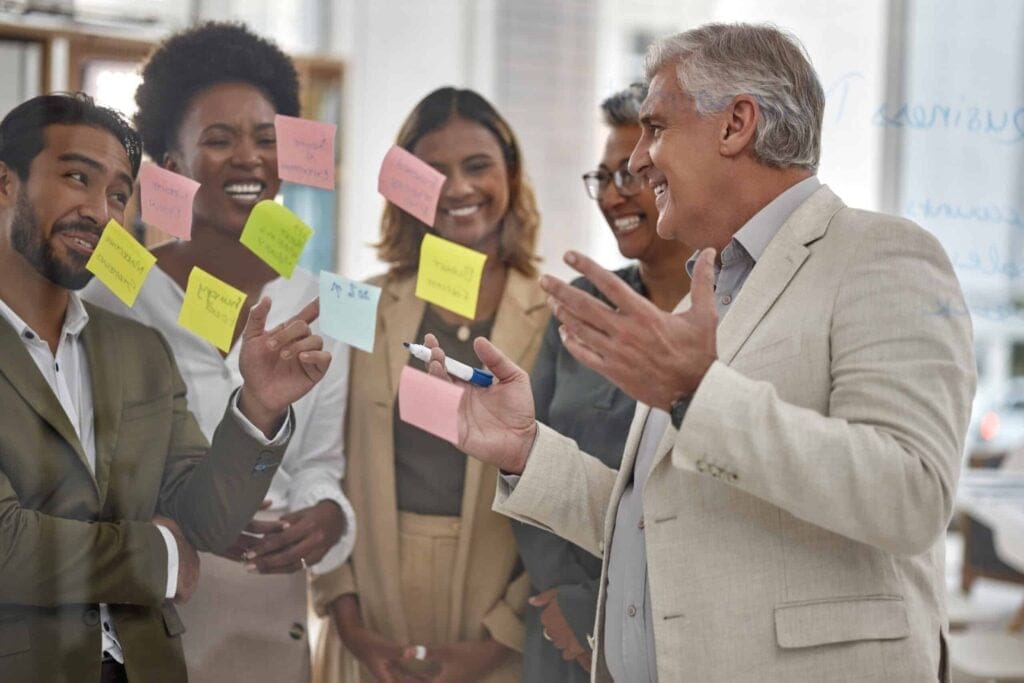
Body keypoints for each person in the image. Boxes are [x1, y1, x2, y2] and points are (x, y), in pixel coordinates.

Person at [420, 23, 976, 682]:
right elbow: (665, 522)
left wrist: (696, 392)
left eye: (656, 128)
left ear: (736, 124)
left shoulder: (878, 255)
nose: (638, 161)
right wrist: (526, 449)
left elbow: (910, 494)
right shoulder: (701, 299)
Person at [0, 93, 331, 683]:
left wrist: (257, 407)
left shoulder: (137, 349)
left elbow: (204, 521)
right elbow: (7, 548)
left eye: (119, 195)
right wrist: (164, 555)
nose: (100, 211)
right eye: (77, 177)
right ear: (5, 183)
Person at [82, 22, 355, 683]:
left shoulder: (330, 301)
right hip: (150, 607)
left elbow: (322, 462)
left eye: (267, 139)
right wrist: (183, 514)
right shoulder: (115, 293)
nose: (249, 158)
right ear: (170, 167)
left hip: (269, 607)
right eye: (219, 139)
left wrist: (326, 514)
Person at [310, 87, 549, 683]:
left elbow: (573, 496)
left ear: (511, 175)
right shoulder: (355, 302)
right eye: (433, 171)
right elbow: (319, 464)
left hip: (501, 627)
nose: (459, 188)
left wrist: (500, 642)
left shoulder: (559, 316)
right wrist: (350, 624)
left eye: (477, 166)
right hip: (369, 619)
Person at [513, 83, 691, 682]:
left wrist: (609, 607)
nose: (615, 195)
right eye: (603, 177)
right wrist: (570, 596)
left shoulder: (729, 315)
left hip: (674, 633)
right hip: (562, 630)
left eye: (633, 174)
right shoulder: (582, 303)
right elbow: (526, 450)